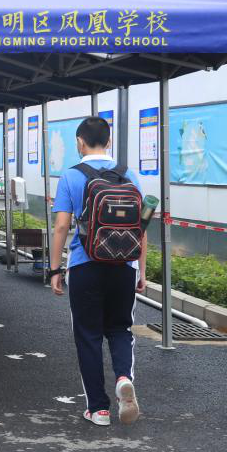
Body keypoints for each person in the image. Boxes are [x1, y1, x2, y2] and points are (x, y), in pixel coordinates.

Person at [47, 116, 146, 428]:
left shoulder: (71, 176)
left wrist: (54, 269)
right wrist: (141, 269)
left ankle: (98, 409)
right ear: (109, 140)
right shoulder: (129, 174)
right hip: (124, 265)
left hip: (85, 264)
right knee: (120, 329)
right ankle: (123, 378)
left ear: (79, 142)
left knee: (88, 335)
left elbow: (61, 226)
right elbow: (141, 225)